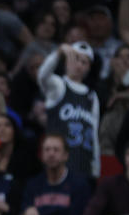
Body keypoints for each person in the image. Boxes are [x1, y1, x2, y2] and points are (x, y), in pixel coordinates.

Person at [37, 42, 101, 178]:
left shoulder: (92, 96)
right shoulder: (59, 85)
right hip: (58, 162)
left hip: (84, 161)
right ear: (66, 61)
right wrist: (58, 53)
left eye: (84, 62)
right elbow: (42, 76)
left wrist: (96, 166)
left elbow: (94, 132)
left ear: (89, 68)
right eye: (75, 59)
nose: (79, 65)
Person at [18, 134, 91, 215]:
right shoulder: (33, 184)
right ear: (42, 155)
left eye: (56, 150)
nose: (51, 154)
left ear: (66, 155)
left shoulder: (79, 184)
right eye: (47, 150)